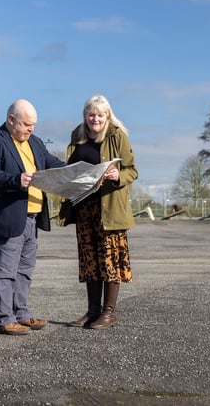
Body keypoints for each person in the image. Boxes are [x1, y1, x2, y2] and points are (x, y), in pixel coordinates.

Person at [0, 99, 66, 335]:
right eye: (27, 124)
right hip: (6, 217)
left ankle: (21, 313)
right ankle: (2, 319)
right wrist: (15, 180)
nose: (31, 129)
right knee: (4, 270)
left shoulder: (35, 142)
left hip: (33, 217)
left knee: (25, 269)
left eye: (34, 125)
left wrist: (78, 171)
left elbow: (52, 164)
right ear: (11, 120)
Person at [57, 94, 138, 329]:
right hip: (84, 208)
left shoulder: (117, 136)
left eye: (100, 115)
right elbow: (70, 168)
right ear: (85, 115)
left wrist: (117, 175)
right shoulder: (77, 136)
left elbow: (132, 170)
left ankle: (109, 312)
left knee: (110, 260)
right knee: (90, 260)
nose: (96, 119)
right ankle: (92, 312)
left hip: (109, 209)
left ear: (107, 115)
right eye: (91, 114)